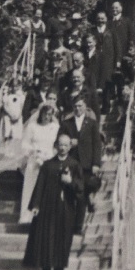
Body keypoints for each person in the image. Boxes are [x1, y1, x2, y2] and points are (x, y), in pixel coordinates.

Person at [23, 133, 84, 270]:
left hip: (66, 208)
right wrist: (36, 206)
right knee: (46, 240)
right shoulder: (48, 165)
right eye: (60, 145)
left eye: (65, 145)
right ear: (56, 146)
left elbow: (81, 188)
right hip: (48, 208)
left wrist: (70, 182)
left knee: (62, 241)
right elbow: (39, 186)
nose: (62, 148)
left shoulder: (75, 165)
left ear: (70, 147)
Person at [59, 95, 101, 232]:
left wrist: (96, 163)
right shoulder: (66, 123)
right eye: (75, 106)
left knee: (81, 194)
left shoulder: (92, 123)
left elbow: (97, 144)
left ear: (85, 107)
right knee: (70, 193)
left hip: (86, 164)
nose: (78, 108)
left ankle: (77, 227)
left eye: (80, 106)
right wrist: (69, 143)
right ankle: (68, 223)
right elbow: (57, 142)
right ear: (72, 108)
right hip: (70, 163)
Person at [19, 102, 60, 224]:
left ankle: (46, 216)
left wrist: (51, 154)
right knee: (32, 187)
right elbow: (24, 144)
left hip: (49, 159)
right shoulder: (32, 127)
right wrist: (33, 151)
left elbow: (57, 144)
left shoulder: (55, 127)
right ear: (40, 114)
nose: (46, 117)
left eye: (49, 114)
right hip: (34, 160)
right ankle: (28, 215)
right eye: (44, 114)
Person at [110, 0, 135, 104]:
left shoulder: (127, 21)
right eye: (113, 8)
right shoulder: (109, 22)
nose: (114, 10)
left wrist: (131, 51)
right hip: (112, 53)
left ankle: (123, 98)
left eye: (116, 7)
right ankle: (113, 95)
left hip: (124, 53)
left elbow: (132, 37)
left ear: (121, 8)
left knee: (123, 75)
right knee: (113, 75)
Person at [94, 10, 115, 114]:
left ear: (106, 19)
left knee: (106, 83)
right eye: (99, 18)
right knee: (96, 83)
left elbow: (116, 47)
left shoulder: (111, 31)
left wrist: (117, 61)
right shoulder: (92, 31)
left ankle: (106, 107)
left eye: (102, 18)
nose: (100, 20)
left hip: (107, 61)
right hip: (96, 61)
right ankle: (95, 107)